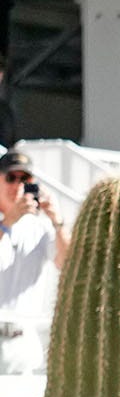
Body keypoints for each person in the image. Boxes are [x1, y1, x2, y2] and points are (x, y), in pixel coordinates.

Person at [0, 147, 69, 371]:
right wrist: (7, 223)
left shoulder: (40, 227)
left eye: (25, 179)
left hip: (24, 339)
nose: (18, 186)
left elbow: (67, 264)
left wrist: (57, 222)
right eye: (11, 178)